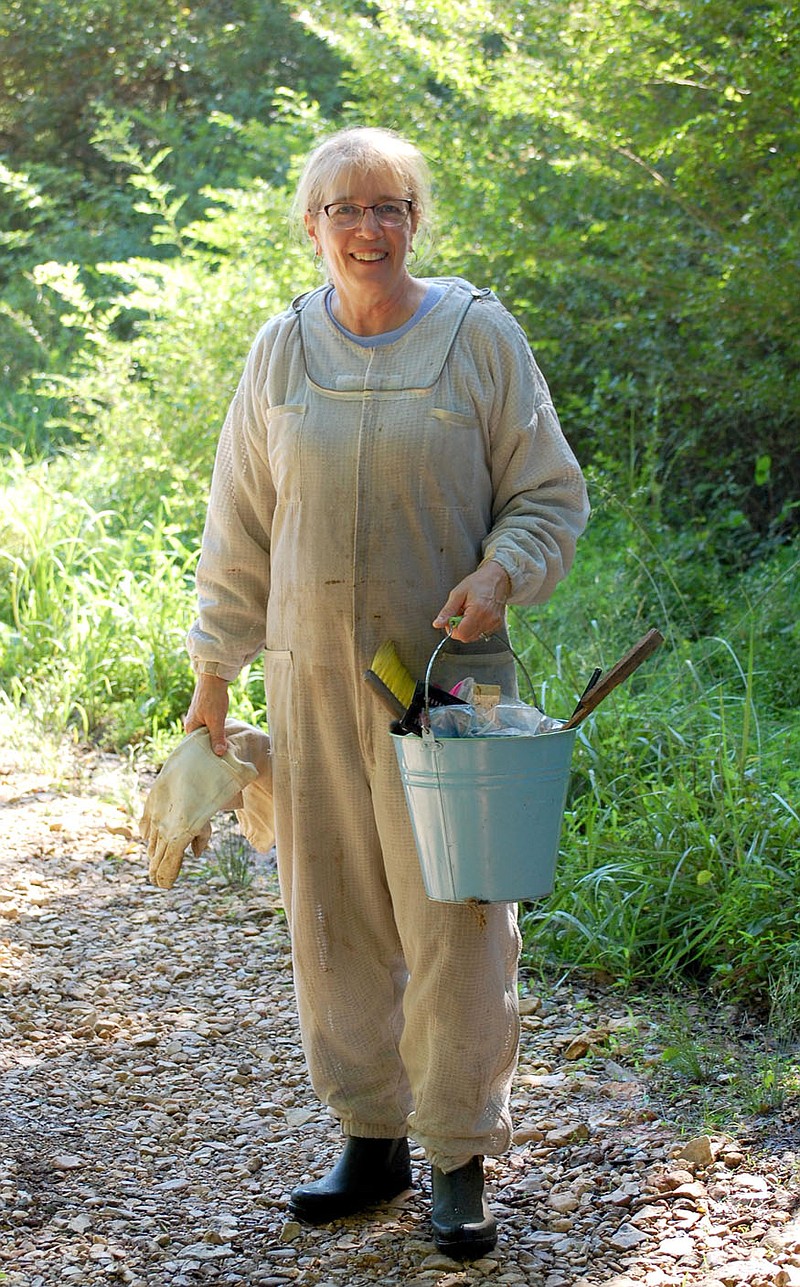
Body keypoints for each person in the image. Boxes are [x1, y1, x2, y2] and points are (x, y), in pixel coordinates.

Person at [183, 126, 590, 1260]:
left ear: (415, 220)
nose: (367, 228)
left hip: (451, 692)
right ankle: (369, 1139)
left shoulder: (477, 338)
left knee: (460, 919)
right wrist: (211, 683)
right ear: (309, 227)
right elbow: (239, 532)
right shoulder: (279, 352)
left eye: (388, 207)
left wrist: (500, 571)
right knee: (333, 914)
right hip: (309, 681)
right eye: (343, 209)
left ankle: (456, 1153)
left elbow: (549, 498)